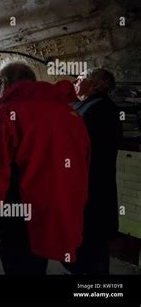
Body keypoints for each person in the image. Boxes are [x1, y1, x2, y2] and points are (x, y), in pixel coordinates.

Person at [0, 62, 90, 275]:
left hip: (17, 218)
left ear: (4, 83)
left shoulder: (2, 114)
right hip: (59, 213)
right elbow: (83, 167)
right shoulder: (71, 114)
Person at [63, 69, 123, 274]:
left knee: (90, 246)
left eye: (80, 78)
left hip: (90, 192)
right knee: (91, 246)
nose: (75, 81)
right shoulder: (92, 106)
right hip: (90, 190)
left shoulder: (97, 110)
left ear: (96, 85)